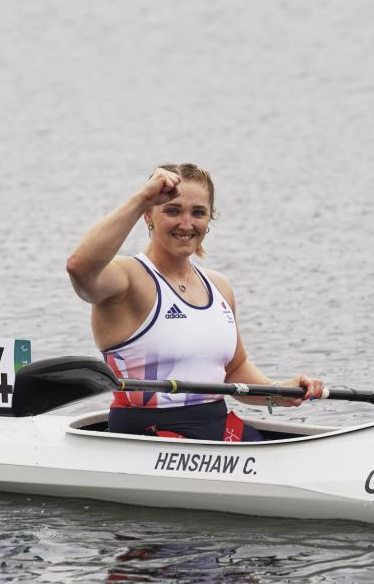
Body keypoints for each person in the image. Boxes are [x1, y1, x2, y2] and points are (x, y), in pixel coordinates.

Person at [66, 163, 324, 441]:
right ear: (148, 216)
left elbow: (234, 370)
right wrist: (143, 196)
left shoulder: (219, 286)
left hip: (215, 427)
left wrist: (280, 392)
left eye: (198, 213)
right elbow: (80, 268)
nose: (186, 224)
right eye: (172, 210)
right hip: (146, 437)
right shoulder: (128, 279)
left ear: (209, 220)